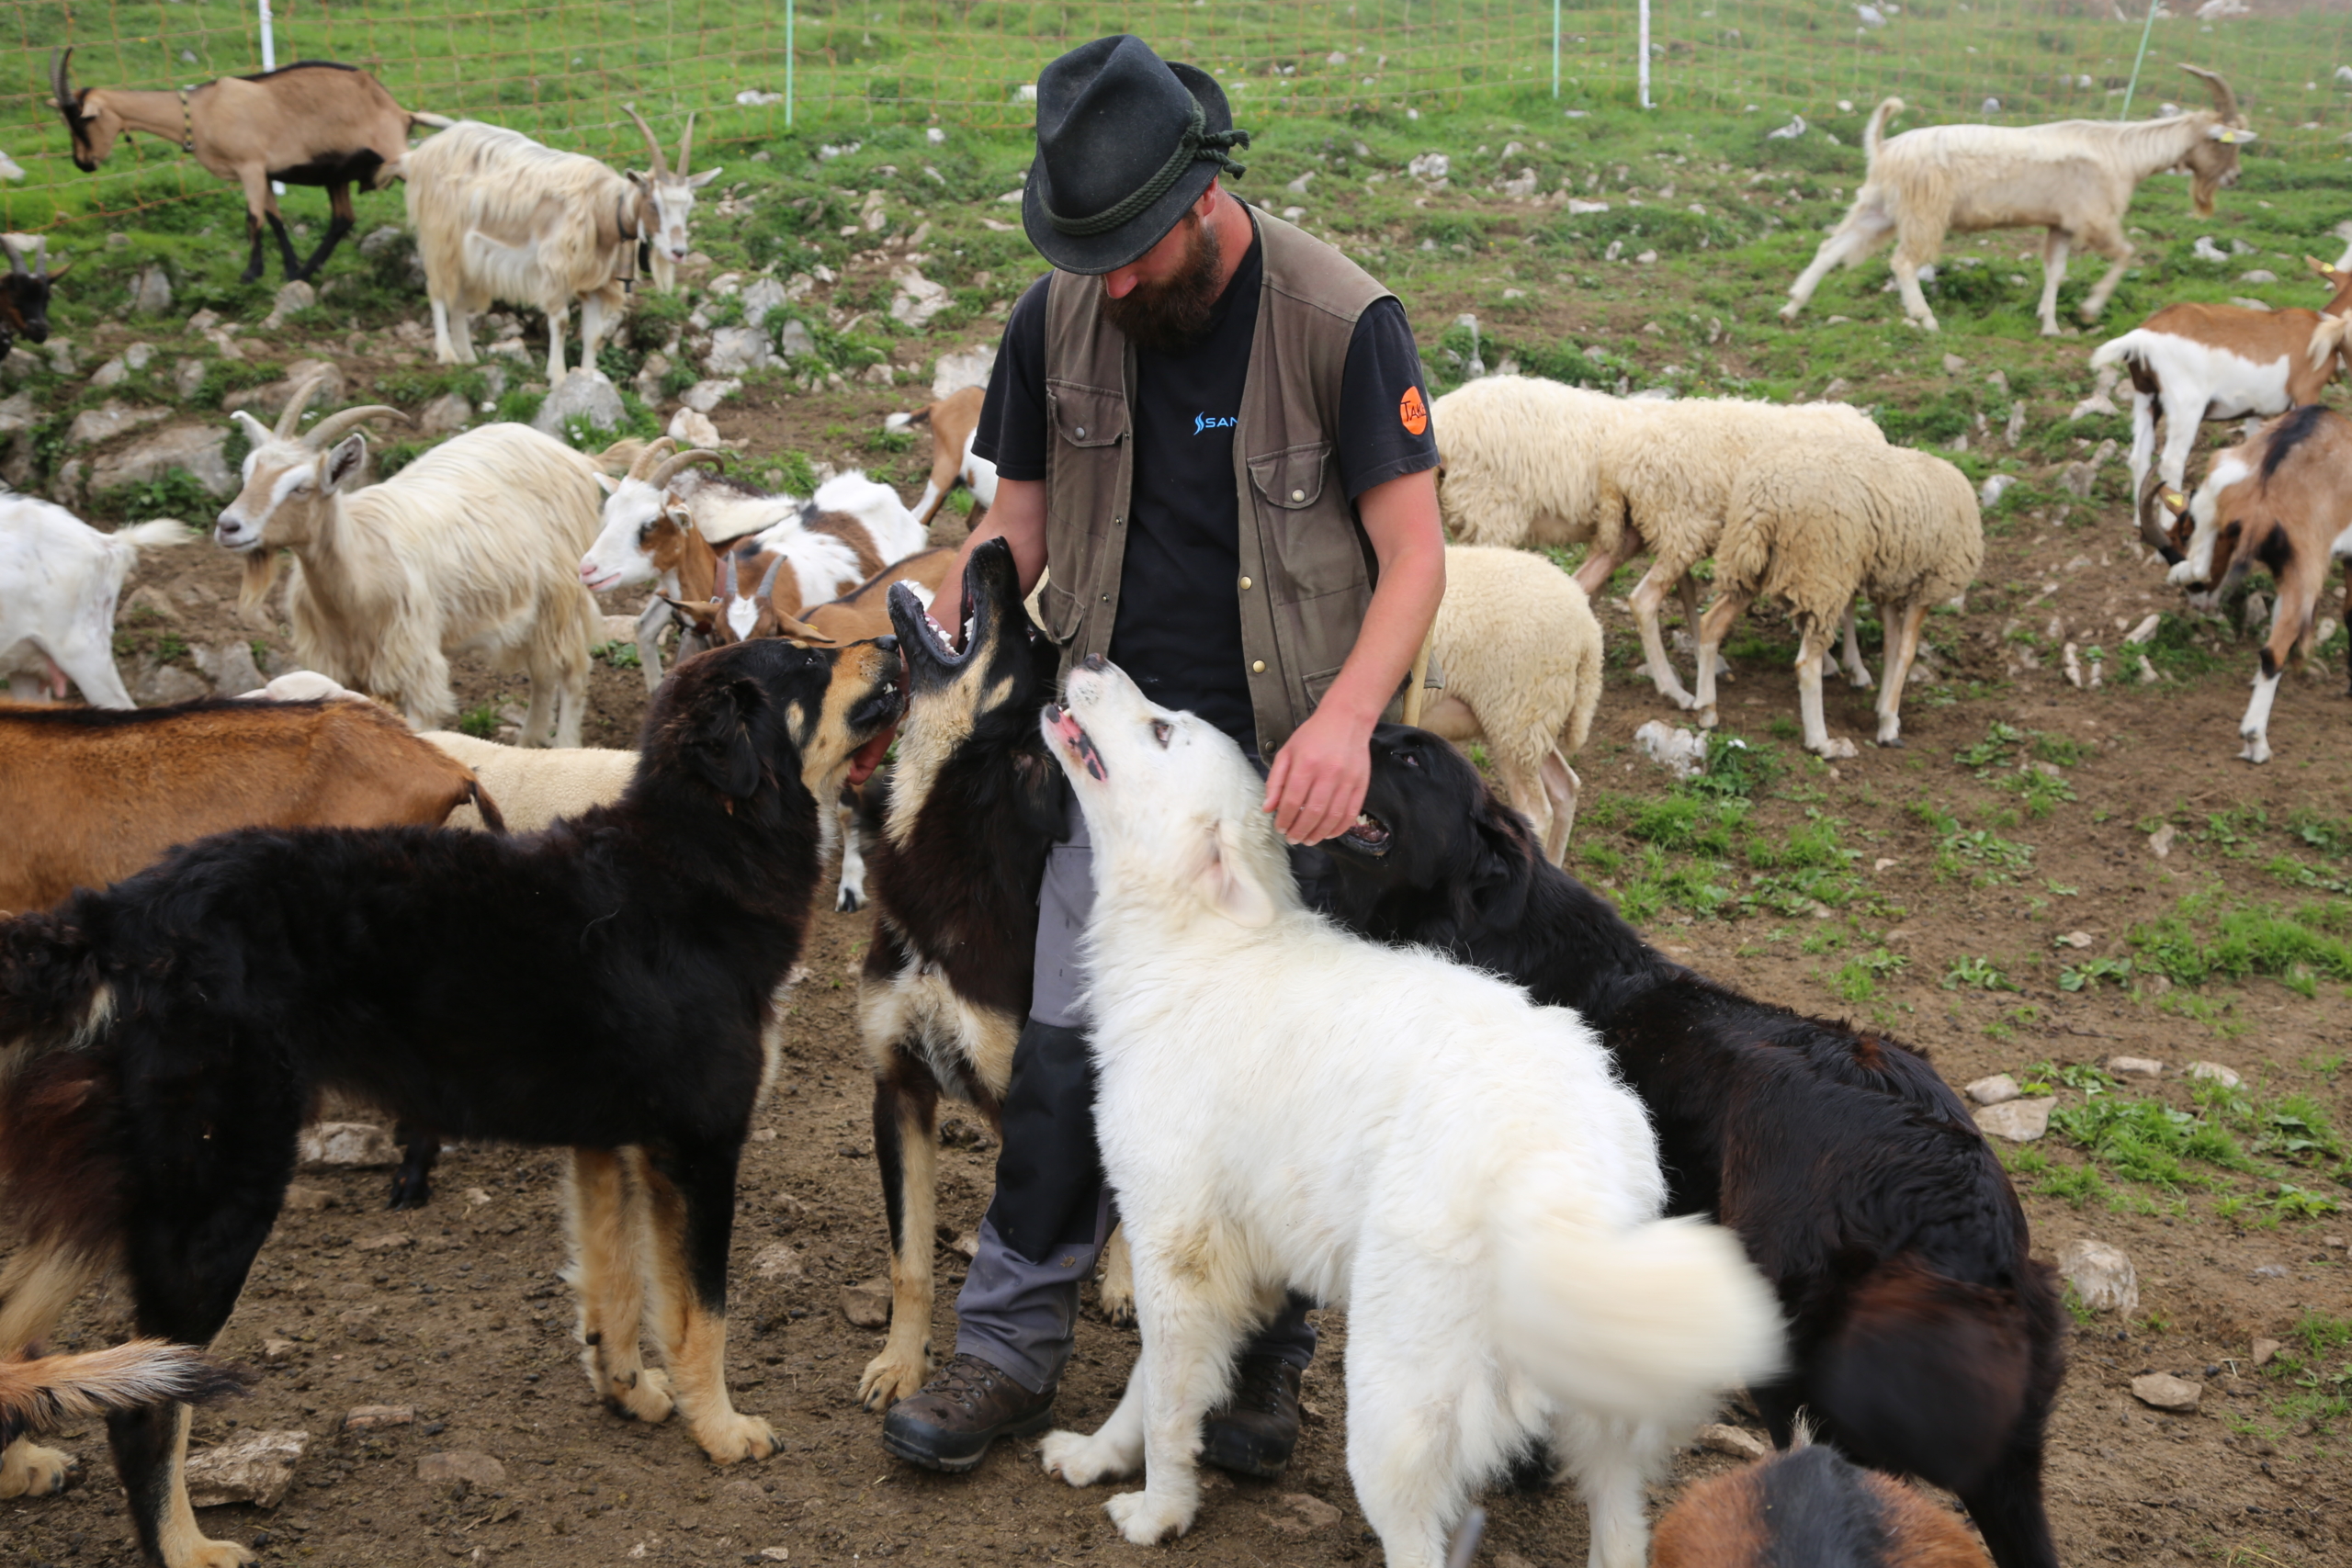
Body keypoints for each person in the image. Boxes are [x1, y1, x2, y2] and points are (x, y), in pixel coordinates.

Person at [880, 33, 1446, 1476]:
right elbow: (1019, 522)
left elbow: (1414, 557)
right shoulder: (1058, 318)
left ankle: (1259, 1373)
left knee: (1281, 1083)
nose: (1112, 283)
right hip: (1122, 769)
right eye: (1090, 255)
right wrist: (969, 601)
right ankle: (1010, 1350)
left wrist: (1343, 726)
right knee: (1071, 1063)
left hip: (1287, 778)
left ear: (1203, 196)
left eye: (1132, 251)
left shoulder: (1339, 320)